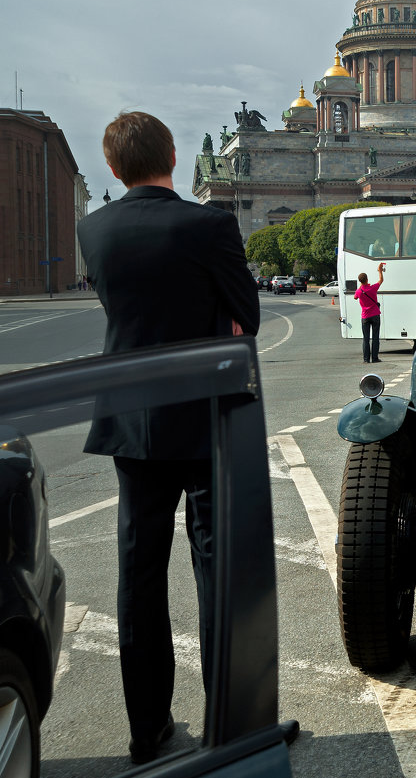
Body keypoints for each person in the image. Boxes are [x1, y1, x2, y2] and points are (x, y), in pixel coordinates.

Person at [77, 111, 260, 763]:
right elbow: (249, 313)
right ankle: (228, 721)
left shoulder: (92, 228)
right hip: (206, 416)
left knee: (138, 576)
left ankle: (146, 730)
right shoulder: (209, 224)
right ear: (174, 157)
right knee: (215, 571)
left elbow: (121, 311)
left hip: (131, 421)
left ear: (112, 167)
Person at [356, 264, 385, 362]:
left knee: (366, 338)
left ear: (360, 281)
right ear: (367, 279)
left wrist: (361, 286)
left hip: (365, 316)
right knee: (375, 337)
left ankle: (366, 359)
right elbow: (381, 280)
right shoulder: (373, 288)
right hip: (375, 315)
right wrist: (379, 271)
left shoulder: (359, 291)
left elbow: (355, 297)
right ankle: (375, 358)